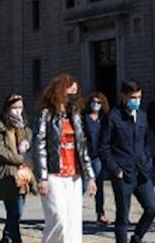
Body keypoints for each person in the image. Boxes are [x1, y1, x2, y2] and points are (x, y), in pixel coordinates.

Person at [34, 74, 97, 243]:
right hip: (54, 174)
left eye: (76, 93)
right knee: (58, 219)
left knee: (73, 222)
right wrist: (42, 177)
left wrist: (90, 176)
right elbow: (40, 145)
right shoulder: (46, 115)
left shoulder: (75, 115)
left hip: (74, 175)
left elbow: (82, 147)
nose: (73, 97)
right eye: (70, 93)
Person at [99, 79, 155, 243]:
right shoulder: (113, 117)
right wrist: (115, 169)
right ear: (123, 96)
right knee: (123, 216)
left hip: (142, 171)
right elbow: (103, 147)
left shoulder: (142, 116)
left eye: (138, 97)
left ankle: (137, 237)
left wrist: (148, 160)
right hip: (122, 173)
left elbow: (146, 142)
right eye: (132, 97)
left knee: (152, 208)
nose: (136, 101)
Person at [0, 93, 35, 243]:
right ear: (7, 108)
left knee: (18, 210)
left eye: (20, 108)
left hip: (22, 174)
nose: (17, 111)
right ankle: (16, 240)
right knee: (14, 211)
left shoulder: (23, 126)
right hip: (6, 174)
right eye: (14, 108)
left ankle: (6, 236)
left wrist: (25, 138)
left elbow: (28, 139)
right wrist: (18, 158)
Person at [84, 91, 111, 225]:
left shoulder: (104, 119)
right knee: (82, 185)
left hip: (98, 156)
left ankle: (100, 213)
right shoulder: (85, 119)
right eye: (94, 102)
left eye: (99, 102)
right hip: (86, 156)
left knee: (99, 185)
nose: (96, 105)